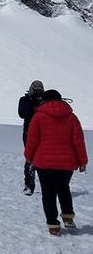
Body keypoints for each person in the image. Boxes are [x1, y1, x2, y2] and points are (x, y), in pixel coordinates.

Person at [24, 89, 87, 236]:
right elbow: (78, 141)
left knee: (48, 193)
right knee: (64, 188)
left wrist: (29, 157)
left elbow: (32, 140)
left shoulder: (38, 117)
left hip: (43, 162)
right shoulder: (71, 117)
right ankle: (68, 217)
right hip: (67, 162)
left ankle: (53, 224)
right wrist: (82, 161)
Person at [18, 80, 44, 195]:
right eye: (36, 90)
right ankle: (29, 185)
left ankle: (47, 185)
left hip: (44, 133)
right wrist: (31, 101)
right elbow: (22, 113)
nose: (38, 92)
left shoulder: (44, 101)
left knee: (44, 159)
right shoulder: (25, 100)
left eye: (40, 90)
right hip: (29, 133)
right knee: (30, 159)